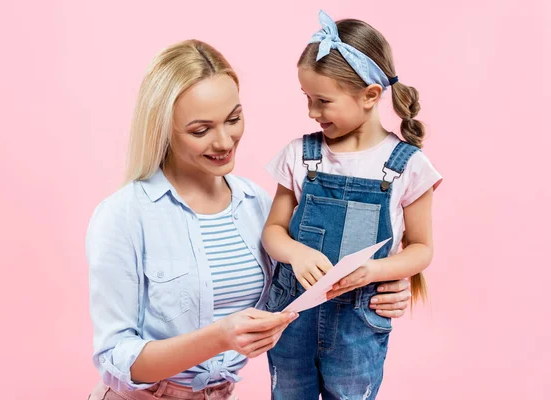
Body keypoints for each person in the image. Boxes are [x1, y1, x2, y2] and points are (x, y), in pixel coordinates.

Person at [86, 39, 412, 400]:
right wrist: (219, 337)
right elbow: (115, 359)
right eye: (200, 130)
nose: (225, 141)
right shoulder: (124, 216)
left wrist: (383, 288)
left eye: (234, 119)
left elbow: (307, 285)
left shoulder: (256, 206)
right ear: (162, 129)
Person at [262, 11, 442, 400]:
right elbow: (273, 231)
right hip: (293, 311)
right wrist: (294, 253)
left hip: (359, 319)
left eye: (323, 101)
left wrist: (374, 269)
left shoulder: (408, 166)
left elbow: (422, 249)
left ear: (370, 96)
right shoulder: (299, 155)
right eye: (307, 99)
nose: (312, 112)